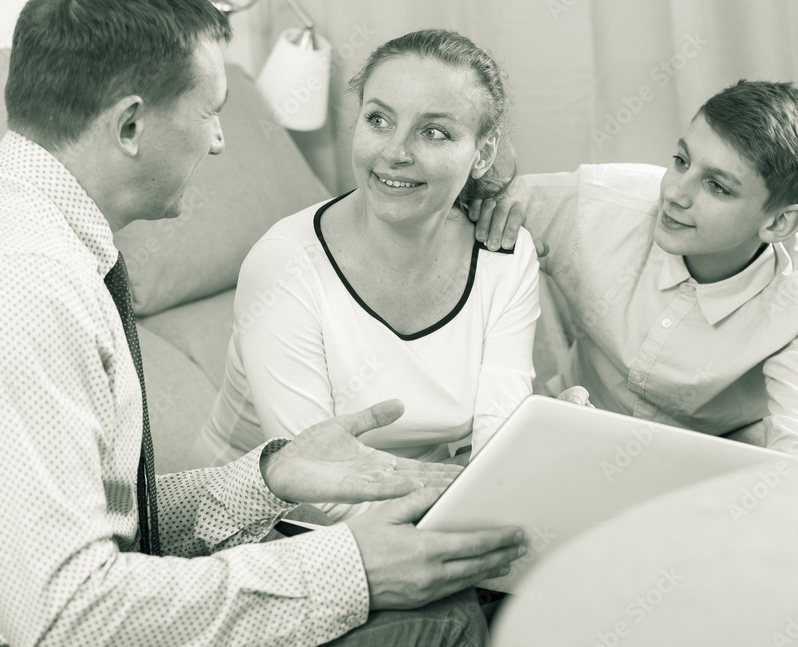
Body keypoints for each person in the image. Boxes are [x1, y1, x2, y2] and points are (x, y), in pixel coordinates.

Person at [0, 0, 528, 646]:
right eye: (211, 112)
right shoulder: (10, 290)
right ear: (130, 125)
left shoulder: (28, 241)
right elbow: (68, 615)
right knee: (437, 620)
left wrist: (270, 475)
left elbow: (95, 517)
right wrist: (352, 568)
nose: (220, 141)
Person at [199, 30, 554, 521]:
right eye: (379, 120)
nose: (395, 152)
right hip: (266, 517)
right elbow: (312, 482)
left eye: (434, 132)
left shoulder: (504, 256)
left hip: (428, 503)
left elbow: (498, 435)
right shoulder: (284, 265)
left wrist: (496, 495)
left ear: (482, 152)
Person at [514, 80, 798, 456]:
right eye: (681, 161)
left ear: (778, 224)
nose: (674, 194)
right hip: (569, 432)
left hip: (704, 476)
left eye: (717, 187)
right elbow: (468, 207)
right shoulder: (598, 203)